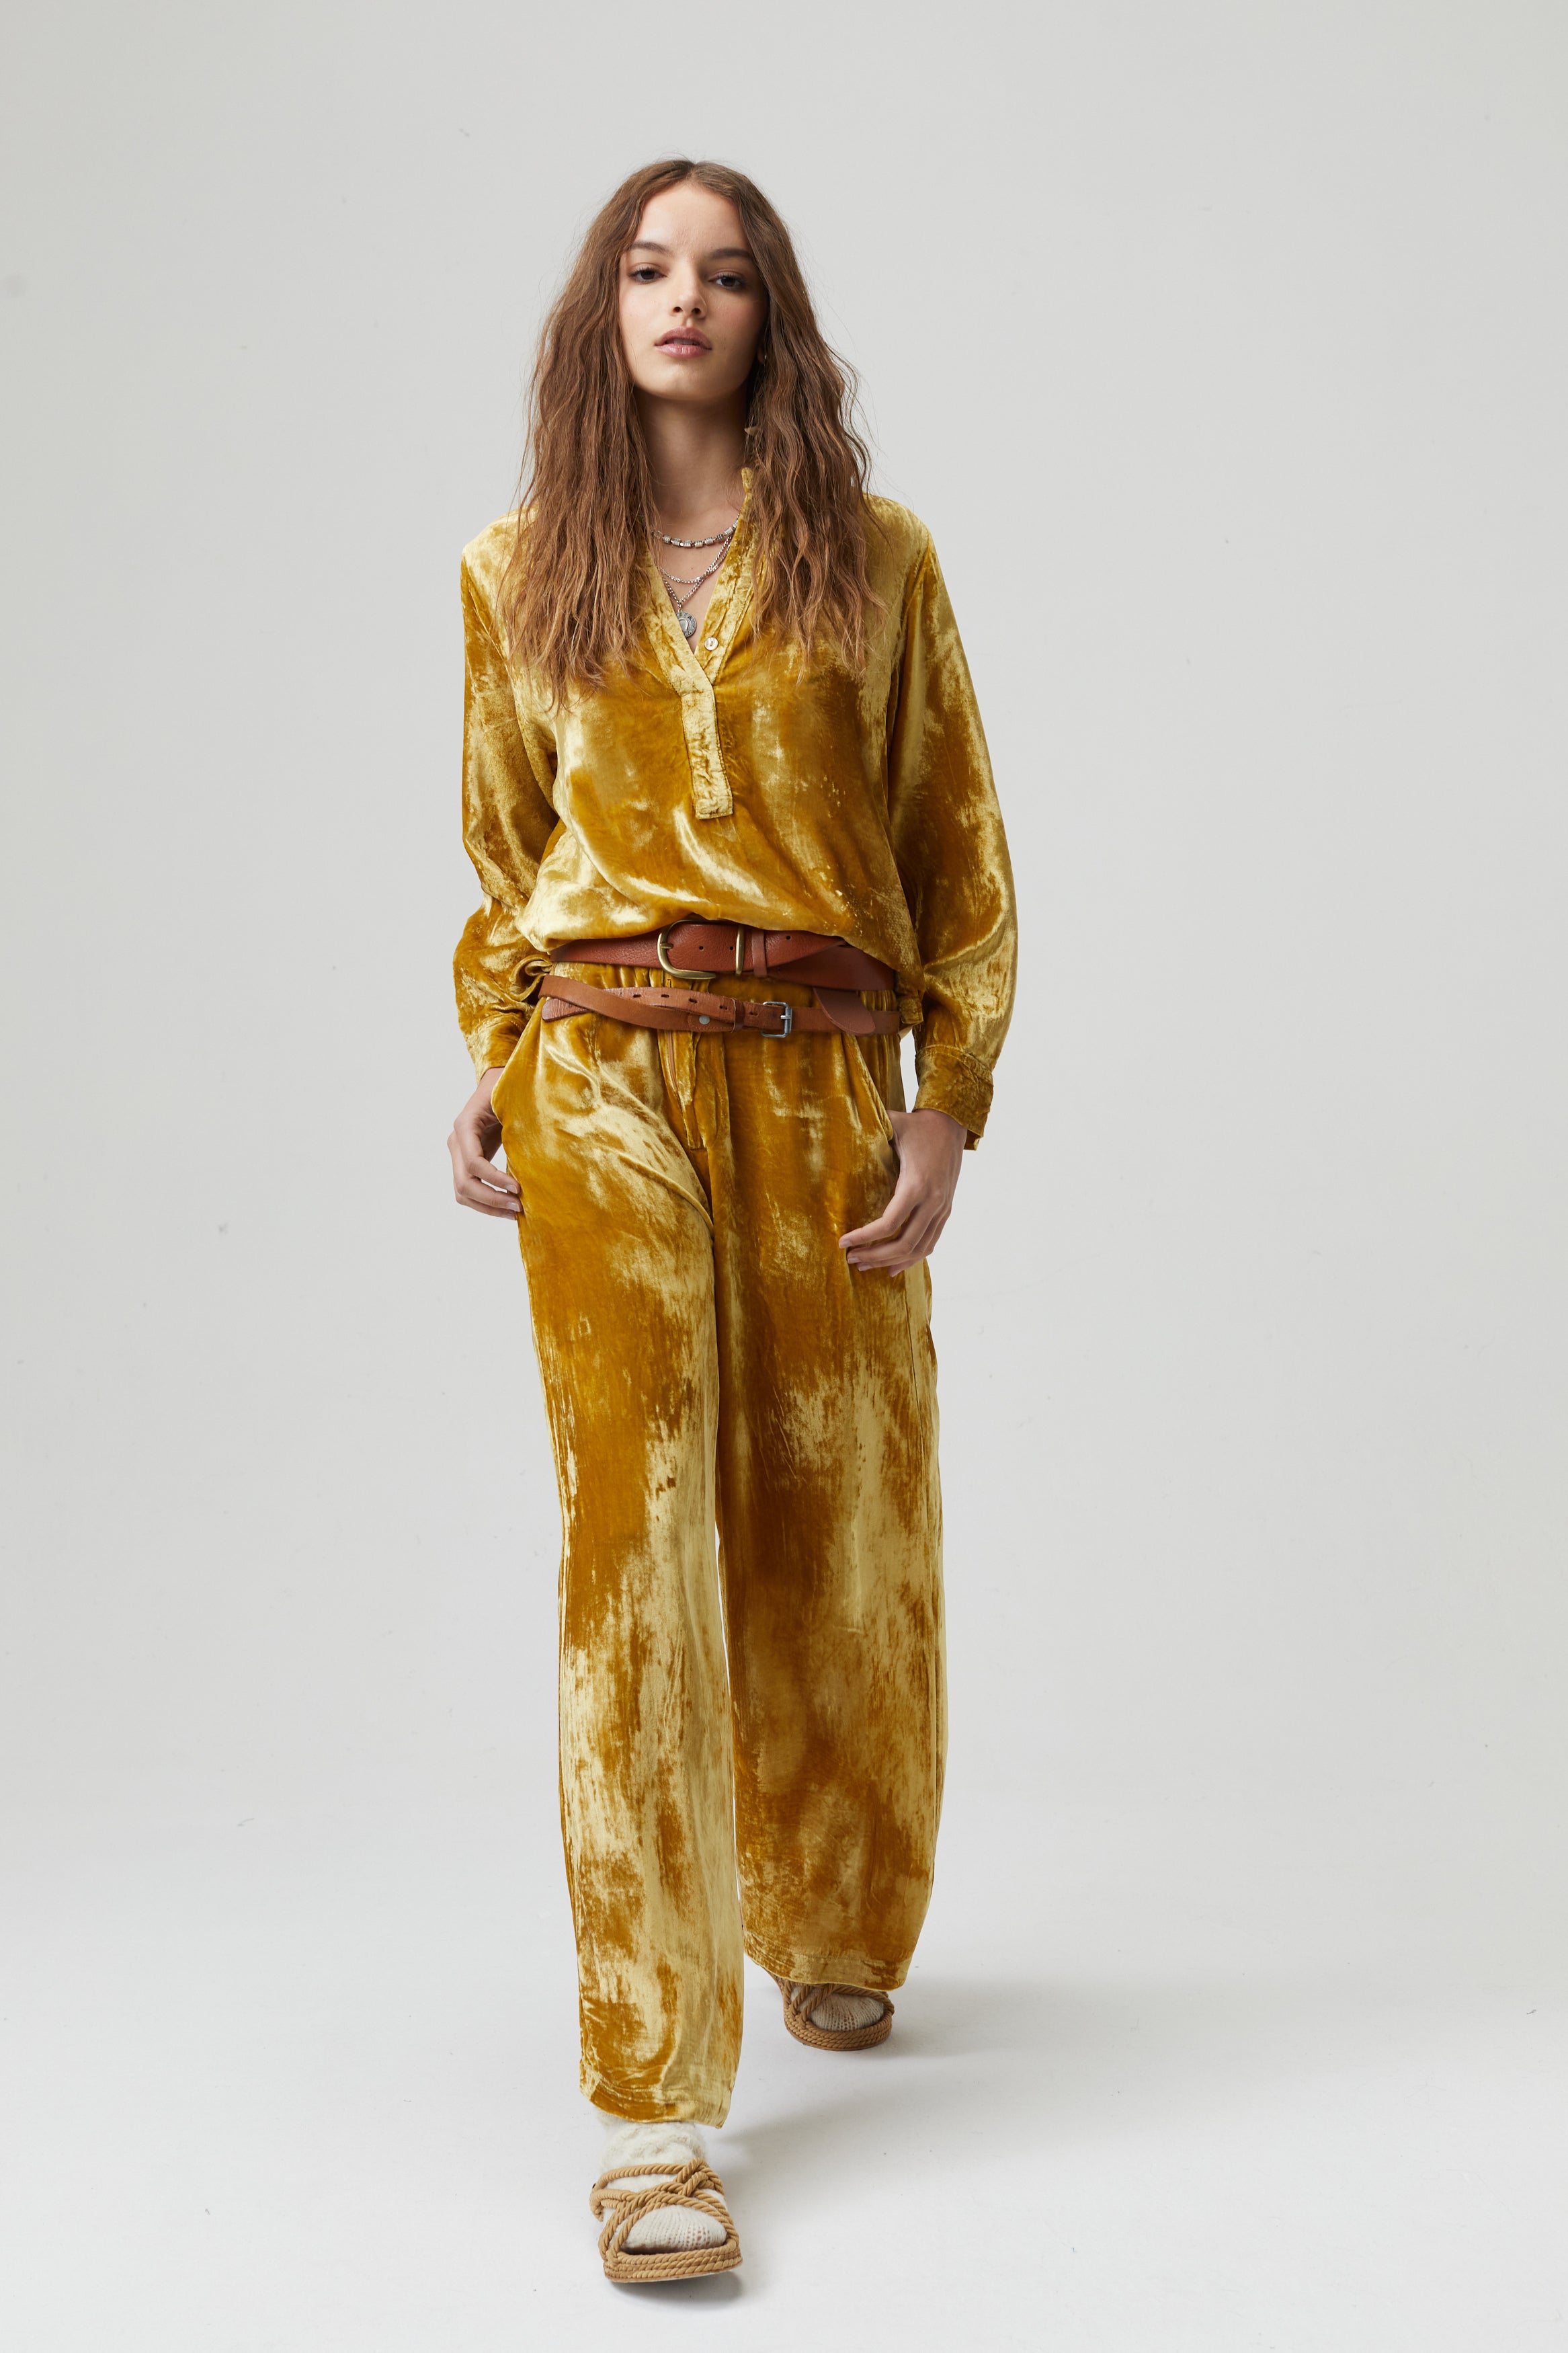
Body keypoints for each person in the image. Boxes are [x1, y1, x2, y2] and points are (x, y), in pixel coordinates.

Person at [446, 156, 1016, 2284]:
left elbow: (957, 855)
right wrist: (498, 1055)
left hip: (821, 1074)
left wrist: (946, 1093)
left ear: (774, 316)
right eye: (646, 268)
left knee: (839, 1515)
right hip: (600, 1070)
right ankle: (652, 2113)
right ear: (602, 310)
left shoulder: (878, 561)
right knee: (639, 1547)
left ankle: (839, 1911)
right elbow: (506, 861)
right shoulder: (518, 571)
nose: (683, 301)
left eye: (727, 274)